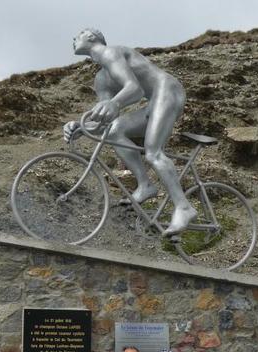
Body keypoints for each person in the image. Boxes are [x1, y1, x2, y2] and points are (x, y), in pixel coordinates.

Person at [63, 28, 197, 236]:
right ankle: (145, 185)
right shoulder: (101, 79)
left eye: (78, 34)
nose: (73, 38)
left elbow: (135, 90)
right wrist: (80, 127)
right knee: (114, 130)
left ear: (91, 38)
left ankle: (184, 207)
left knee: (153, 152)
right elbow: (102, 122)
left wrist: (115, 103)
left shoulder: (110, 53)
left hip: (167, 90)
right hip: (153, 101)